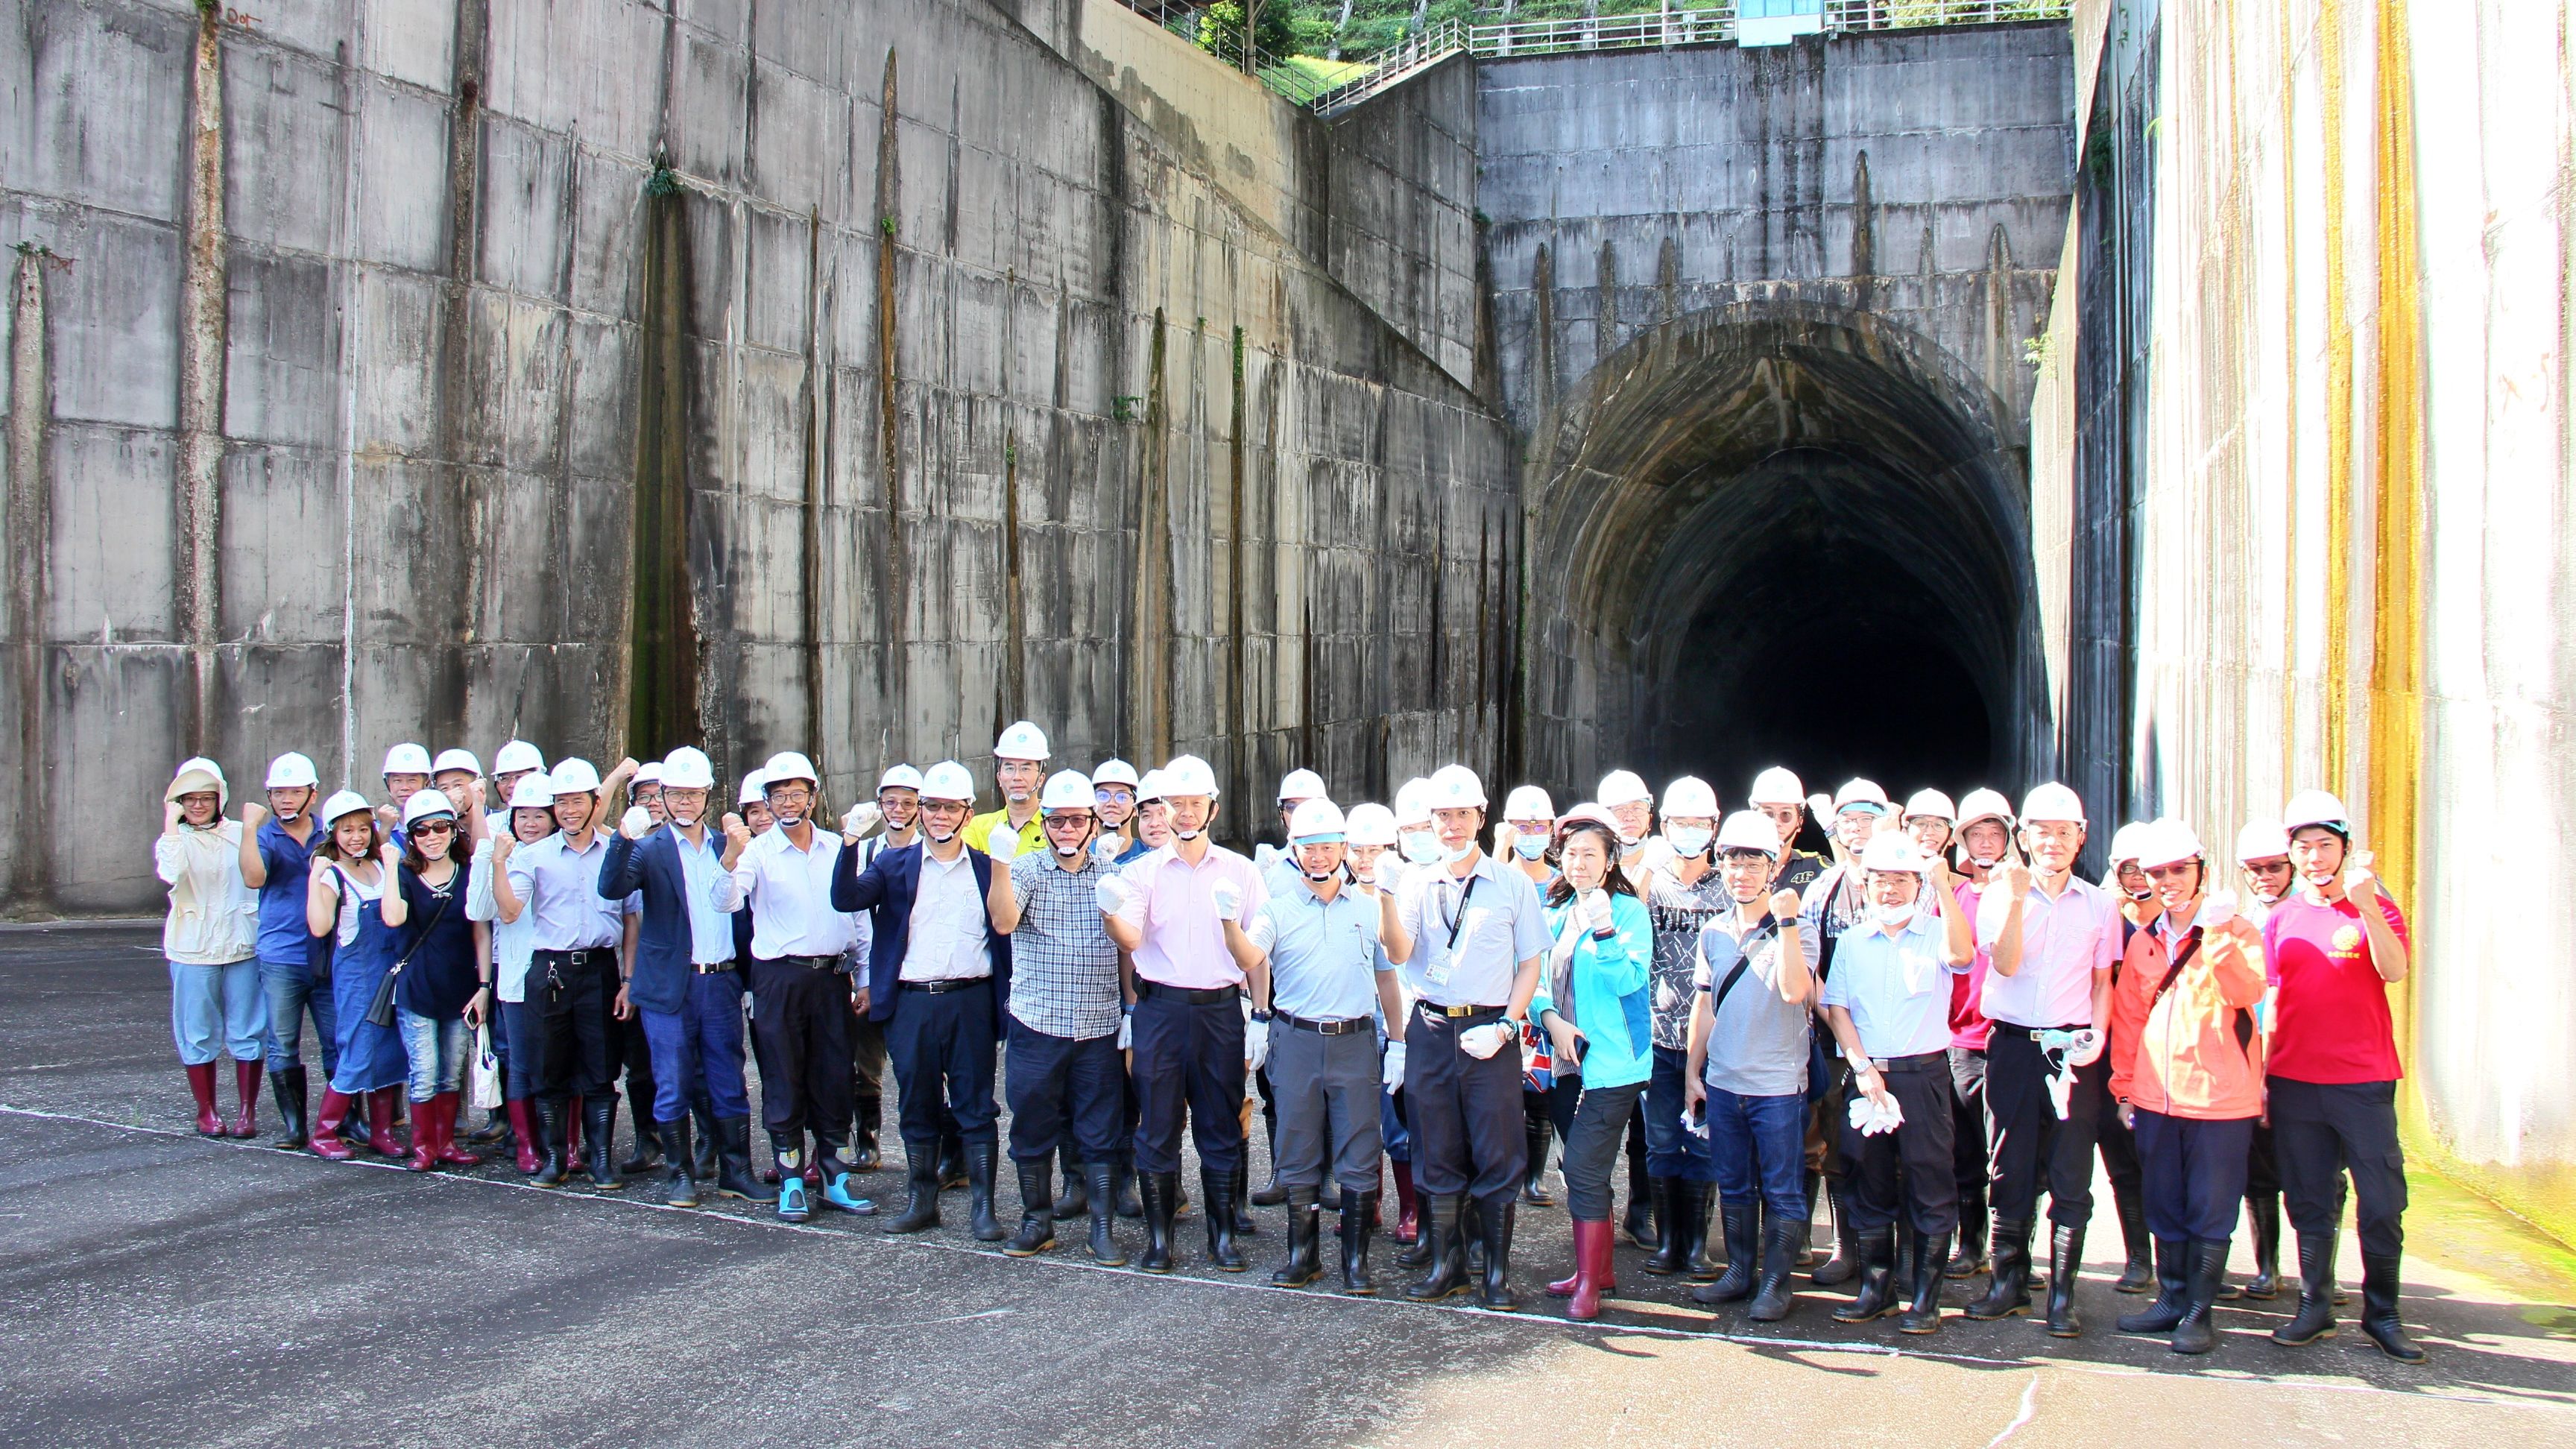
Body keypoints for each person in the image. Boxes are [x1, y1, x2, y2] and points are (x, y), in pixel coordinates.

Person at [1379, 764, 1548, 1310]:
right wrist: (1385, 898)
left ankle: (1496, 1274)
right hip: (1430, 1025)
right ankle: (1447, 1265)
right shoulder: (1415, 881)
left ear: (1481, 817)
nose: (1451, 826)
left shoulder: (1513, 885)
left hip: (1489, 1029)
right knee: (1436, 1147)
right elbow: (1400, 955)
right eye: (1441, 816)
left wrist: (1506, 1026)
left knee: (1498, 1148)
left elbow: (1530, 965)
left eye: (1460, 815)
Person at [2263, 790, 2422, 1361]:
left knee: (2381, 1200)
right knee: (2309, 1200)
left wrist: (2371, 907)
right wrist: (2262, 1075)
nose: (2314, 857)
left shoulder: (2376, 908)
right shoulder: (2280, 919)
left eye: (2325, 845)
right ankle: (2315, 1305)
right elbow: (2270, 1003)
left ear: (2345, 848)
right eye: (2303, 847)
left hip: (2363, 1081)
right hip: (2295, 1081)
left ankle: (2382, 1312)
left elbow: (2396, 970)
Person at [1098, 754, 1269, 1273]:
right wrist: (1109, 912)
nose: (1186, 812)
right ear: (1164, 810)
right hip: (1162, 1010)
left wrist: (1260, 1015)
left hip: (1220, 1011)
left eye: (1196, 803)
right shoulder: (1144, 872)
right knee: (1158, 1125)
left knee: (1219, 1124)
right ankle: (1159, 1240)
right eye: (1177, 804)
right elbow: (1129, 939)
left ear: (1212, 808)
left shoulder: (1241, 872)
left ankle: (1221, 1238)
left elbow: (1257, 953)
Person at [2106, 820, 2267, 1354]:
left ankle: (2199, 1313)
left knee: (2210, 1206)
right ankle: (2172, 1300)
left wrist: (2218, 938)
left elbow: (2247, 990)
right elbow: (2129, 1020)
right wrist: (2124, 1088)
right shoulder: (2145, 942)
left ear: (2201, 871)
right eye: (2158, 873)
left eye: (2180, 870)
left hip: (2220, 1101)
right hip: (2156, 1098)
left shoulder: (2237, 931)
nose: (2169, 880)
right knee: (2165, 1201)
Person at [834, 760, 1014, 1239]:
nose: (938, 815)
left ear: (967, 813)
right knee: (917, 1101)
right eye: (931, 806)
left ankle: (983, 1208)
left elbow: (1004, 929)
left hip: (971, 1000)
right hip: (912, 1001)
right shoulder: (894, 863)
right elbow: (846, 897)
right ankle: (922, 1200)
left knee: (976, 1105)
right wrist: (850, 843)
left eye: (949, 807)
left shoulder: (985, 867)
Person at [1967, 782, 2119, 1337]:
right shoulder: (1995, 895)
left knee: (2071, 1169)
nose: (2052, 842)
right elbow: (2004, 965)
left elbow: (2104, 981)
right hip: (2012, 1046)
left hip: (2072, 1048)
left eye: (2063, 833)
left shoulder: (2101, 904)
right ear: (2022, 838)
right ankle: (2007, 1283)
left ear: (2080, 839)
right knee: (2008, 1166)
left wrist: (2097, 1035)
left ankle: (2062, 1295)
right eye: (2041, 832)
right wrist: (2013, 899)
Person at [1241, 798, 1406, 1292]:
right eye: (1308, 847)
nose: (1317, 856)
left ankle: (1355, 1262)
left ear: (1343, 849)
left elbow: (1388, 978)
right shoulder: (1277, 908)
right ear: (1295, 849)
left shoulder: (1367, 906)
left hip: (1354, 1040)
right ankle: (1303, 1254)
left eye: (1327, 846)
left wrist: (1397, 1040)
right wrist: (1230, 926)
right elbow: (1251, 956)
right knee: (1297, 1142)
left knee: (1359, 1145)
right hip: (1296, 1039)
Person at [1817, 836, 1977, 1332]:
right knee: (1868, 1181)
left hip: (1923, 1076)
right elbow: (1837, 1009)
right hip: (1868, 1077)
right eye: (1879, 880)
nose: (1888, 890)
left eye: (1900, 880)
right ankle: (1876, 1290)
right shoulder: (1852, 941)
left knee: (1930, 1182)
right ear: (1866, 886)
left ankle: (1926, 1300)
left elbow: (1963, 956)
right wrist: (1861, 1068)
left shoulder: (1937, 932)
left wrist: (1942, 887)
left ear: (1917, 884)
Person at [598, 747, 766, 1208]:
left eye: (694, 794)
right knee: (671, 1081)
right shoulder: (648, 848)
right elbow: (611, 889)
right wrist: (620, 840)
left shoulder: (725, 843)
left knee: (728, 1080)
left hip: (721, 980)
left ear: (708, 794)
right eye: (675, 794)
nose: (684, 802)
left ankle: (737, 1171)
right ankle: (680, 1174)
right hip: (670, 984)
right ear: (663, 798)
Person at [985, 770, 1126, 1263]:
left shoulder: (1111, 875)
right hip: (1036, 1023)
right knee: (1032, 1125)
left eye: (1077, 820)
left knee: (1100, 1130)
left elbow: (1128, 946)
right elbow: (1003, 922)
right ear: (1044, 825)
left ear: (1092, 825)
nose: (1067, 828)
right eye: (1058, 820)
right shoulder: (1024, 871)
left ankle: (1101, 1229)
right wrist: (1000, 866)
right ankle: (1036, 1222)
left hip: (1098, 1025)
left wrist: (1129, 1011)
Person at [720, 752, 862, 1222]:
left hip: (833, 976)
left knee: (835, 1074)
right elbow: (725, 901)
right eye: (778, 795)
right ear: (767, 801)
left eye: (796, 794)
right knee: (783, 1076)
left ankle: (836, 1179)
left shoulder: (834, 847)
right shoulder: (757, 852)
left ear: (813, 797)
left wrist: (863, 977)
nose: (787, 803)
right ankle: (791, 1182)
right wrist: (729, 859)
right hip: (779, 977)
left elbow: (858, 917)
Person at [1683, 812, 1813, 1322]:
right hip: (1725, 1080)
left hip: (1778, 1084)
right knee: (1733, 1181)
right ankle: (1740, 1272)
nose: (1741, 873)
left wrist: (1785, 925)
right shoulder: (1713, 932)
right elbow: (1705, 1005)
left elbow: (1794, 991)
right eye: (1733, 862)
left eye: (1753, 862)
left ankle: (1777, 1284)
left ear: (1773, 866)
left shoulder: (1795, 931)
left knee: (1781, 1185)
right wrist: (1695, 1070)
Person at [1532, 806, 1655, 1322]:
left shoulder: (1628, 912)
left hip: (1613, 1064)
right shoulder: (1555, 909)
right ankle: (1596, 1270)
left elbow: (1630, 982)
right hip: (1564, 1060)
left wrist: (1604, 931)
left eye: (1590, 855)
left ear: (1610, 861)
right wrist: (1551, 1019)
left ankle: (1590, 1285)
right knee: (1585, 1168)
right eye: (1571, 854)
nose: (1578, 865)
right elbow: (1533, 976)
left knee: (1582, 1166)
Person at [496, 758, 635, 1191]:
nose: (569, 811)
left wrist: (628, 980)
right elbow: (509, 910)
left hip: (599, 968)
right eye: (561, 803)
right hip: (550, 968)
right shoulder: (533, 856)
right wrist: (499, 863)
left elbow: (632, 920)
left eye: (578, 802)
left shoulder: (617, 851)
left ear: (597, 802)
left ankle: (601, 1161)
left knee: (601, 1068)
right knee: (548, 1066)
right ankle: (555, 1157)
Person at [1796, 777, 1894, 1286]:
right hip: (1836, 1037)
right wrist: (1830, 1015)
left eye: (1868, 818)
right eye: (1848, 821)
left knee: (1896, 1147)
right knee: (1839, 1142)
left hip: (1897, 1040)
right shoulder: (1821, 889)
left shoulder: (1903, 881)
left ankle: (1895, 1249)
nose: (1858, 831)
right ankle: (1845, 1246)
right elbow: (1810, 964)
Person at [1639, 776, 1728, 1278]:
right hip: (1658, 1034)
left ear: (1713, 827)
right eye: (1680, 823)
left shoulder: (1729, 885)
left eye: (1699, 823)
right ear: (1664, 826)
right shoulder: (1654, 883)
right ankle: (1668, 1242)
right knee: (1660, 1140)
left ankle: (1696, 1246)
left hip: (1712, 1040)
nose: (1690, 832)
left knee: (1703, 1138)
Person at [157, 758, 265, 1137]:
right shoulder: (175, 840)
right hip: (192, 945)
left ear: (221, 798)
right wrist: (171, 823)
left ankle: (247, 1112)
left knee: (249, 1027)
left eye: (207, 798)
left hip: (242, 941)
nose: (198, 806)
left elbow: (258, 874)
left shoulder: (240, 832)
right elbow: (170, 873)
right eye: (190, 799)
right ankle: (207, 1111)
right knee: (197, 1029)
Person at [305, 790, 411, 1160]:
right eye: (347, 829)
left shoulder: (382, 865)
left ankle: (381, 1133)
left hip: (390, 971)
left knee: (390, 1050)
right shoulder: (333, 874)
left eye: (363, 829)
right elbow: (319, 927)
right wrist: (314, 878)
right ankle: (324, 1131)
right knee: (358, 1050)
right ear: (332, 832)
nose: (356, 837)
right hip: (357, 975)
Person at [469, 772, 560, 1175]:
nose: (530, 823)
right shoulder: (506, 857)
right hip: (517, 979)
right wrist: (490, 854)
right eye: (522, 815)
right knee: (522, 1063)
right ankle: (527, 1145)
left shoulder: (565, 853)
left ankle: (564, 1144)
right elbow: (478, 910)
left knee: (561, 1062)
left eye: (540, 814)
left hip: (561, 976)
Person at [1941, 788, 2014, 1280]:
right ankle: (1971, 1245)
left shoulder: (2023, 894)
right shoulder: (1956, 895)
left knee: (2011, 1151)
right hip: (1962, 1036)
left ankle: (2013, 1249)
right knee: (1965, 1149)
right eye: (1976, 834)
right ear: (1963, 841)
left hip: (2011, 1036)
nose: (1986, 843)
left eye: (1995, 833)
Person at [389, 791, 484, 1172]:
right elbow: (394, 919)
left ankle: (446, 1142)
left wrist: (485, 986)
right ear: (412, 836)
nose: (432, 836)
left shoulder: (469, 871)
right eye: (422, 829)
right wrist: (389, 865)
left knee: (451, 1071)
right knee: (424, 1072)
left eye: (440, 827)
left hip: (460, 987)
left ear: (453, 829)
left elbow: (481, 932)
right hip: (417, 987)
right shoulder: (404, 874)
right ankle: (424, 1147)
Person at [238, 751, 328, 1148]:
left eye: (295, 792)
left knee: (338, 1039)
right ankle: (295, 1126)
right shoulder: (265, 834)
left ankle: (344, 1119)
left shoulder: (332, 832)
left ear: (314, 794)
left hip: (327, 952)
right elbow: (255, 878)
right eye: (278, 793)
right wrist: (248, 827)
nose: (286, 800)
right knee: (283, 1042)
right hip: (281, 955)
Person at [2226, 817, 2297, 1301]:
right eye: (2255, 868)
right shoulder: (2244, 921)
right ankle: (2268, 1268)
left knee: (2320, 1171)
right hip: (2255, 1056)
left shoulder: (2307, 913)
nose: (2265, 875)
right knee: (2259, 1169)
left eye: (2274, 866)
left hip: (2304, 1056)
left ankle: (2321, 1275)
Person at [1346, 801, 1422, 1247]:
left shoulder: (1409, 893)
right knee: (1355, 1119)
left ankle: (1410, 1208)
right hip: (1353, 1024)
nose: (1366, 860)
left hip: (1400, 1024)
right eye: (1358, 849)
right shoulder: (1339, 894)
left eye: (1377, 850)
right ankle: (1366, 1201)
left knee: (1399, 1123)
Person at [842, 763, 924, 1175]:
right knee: (865, 1065)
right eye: (890, 801)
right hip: (875, 973)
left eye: (908, 802)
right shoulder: (869, 852)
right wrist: (866, 978)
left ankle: (934, 1152)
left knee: (922, 1069)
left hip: (913, 976)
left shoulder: (932, 850)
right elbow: (856, 918)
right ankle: (868, 1140)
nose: (898, 809)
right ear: (879, 805)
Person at [2093, 822, 2162, 1295]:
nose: (2137, 878)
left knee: (2166, 1159)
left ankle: (2181, 1258)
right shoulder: (2104, 913)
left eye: (2146, 869)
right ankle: (2139, 1257)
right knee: (2120, 1159)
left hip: (2161, 1054)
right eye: (2128, 868)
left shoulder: (2180, 917)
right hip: (2105, 1053)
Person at [1493, 786, 1564, 1210]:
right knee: (1502, 1095)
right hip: (1505, 997)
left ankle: (1534, 1178)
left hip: (1549, 1000)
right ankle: (1507, 1170)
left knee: (1541, 1097)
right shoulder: (1499, 876)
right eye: (1523, 825)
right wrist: (1500, 848)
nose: (1532, 833)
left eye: (1539, 825)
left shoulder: (1561, 883)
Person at [970, 721, 1050, 860]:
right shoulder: (978, 827)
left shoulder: (1057, 826)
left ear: (1041, 778)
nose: (1017, 777)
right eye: (1009, 768)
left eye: (1025, 769)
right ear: (999, 777)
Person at [1090, 760, 1143, 864]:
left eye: (1122, 797)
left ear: (1136, 808)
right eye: (1103, 795)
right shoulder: (1079, 857)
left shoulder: (1149, 858)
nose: (1112, 803)